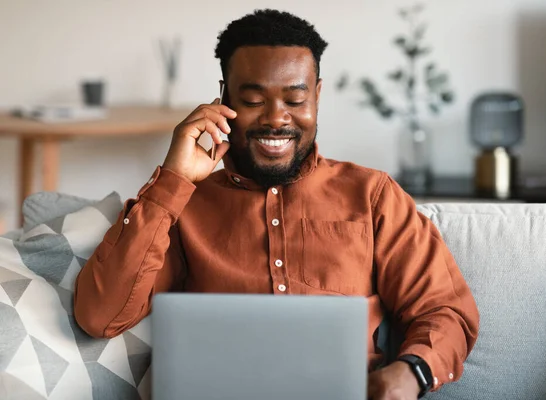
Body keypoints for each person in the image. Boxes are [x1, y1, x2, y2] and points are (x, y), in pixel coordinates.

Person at [73, 9, 479, 400]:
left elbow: (445, 310)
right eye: (252, 100)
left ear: (317, 95)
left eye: (295, 99)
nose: (276, 119)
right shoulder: (182, 207)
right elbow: (101, 316)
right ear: (223, 98)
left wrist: (411, 372)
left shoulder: (372, 195)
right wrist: (172, 181)